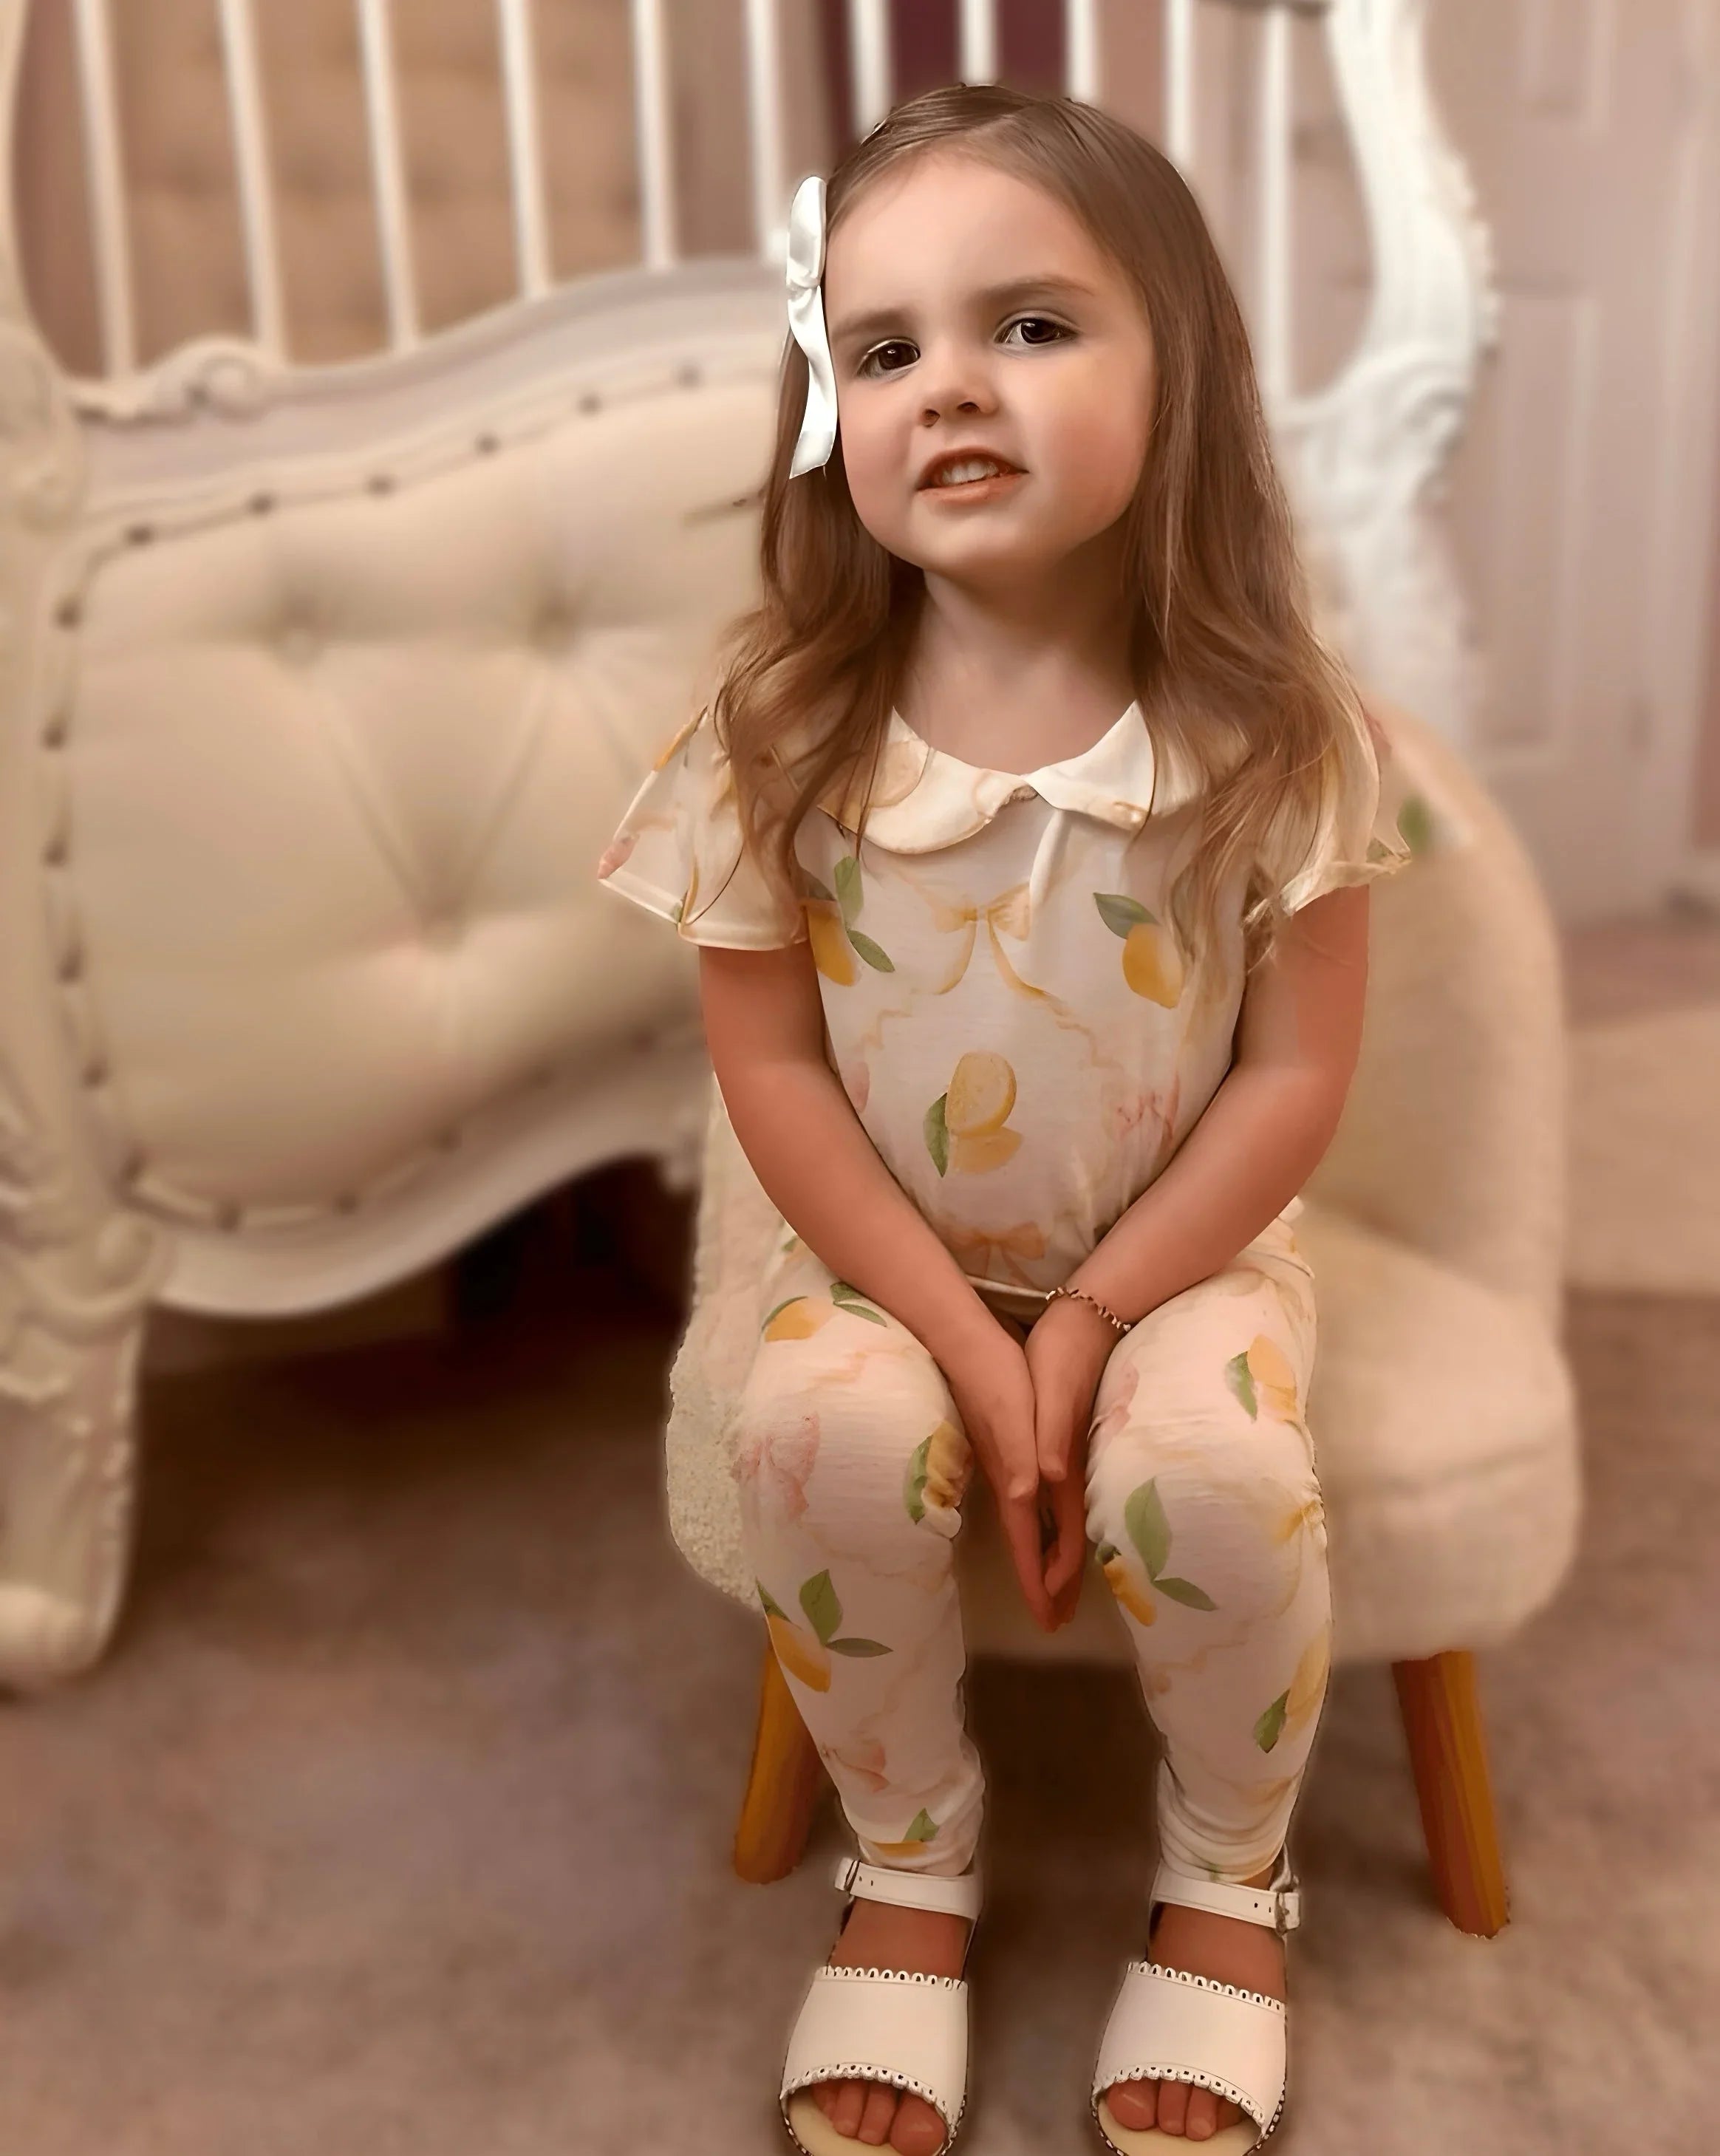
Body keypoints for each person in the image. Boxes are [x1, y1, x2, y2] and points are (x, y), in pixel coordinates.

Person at [598, 83, 1423, 2156]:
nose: (948, 387)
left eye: (1031, 327)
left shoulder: (1278, 734)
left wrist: (1089, 1323)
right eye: (883, 351)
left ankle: (1228, 1876)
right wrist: (967, 1336)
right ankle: (911, 1855)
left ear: (1185, 373)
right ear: (831, 412)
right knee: (818, 1430)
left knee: (1219, 1468)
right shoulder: (773, 737)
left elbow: (1296, 1075)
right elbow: (771, 1072)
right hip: (881, 1257)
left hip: (1190, 1251)